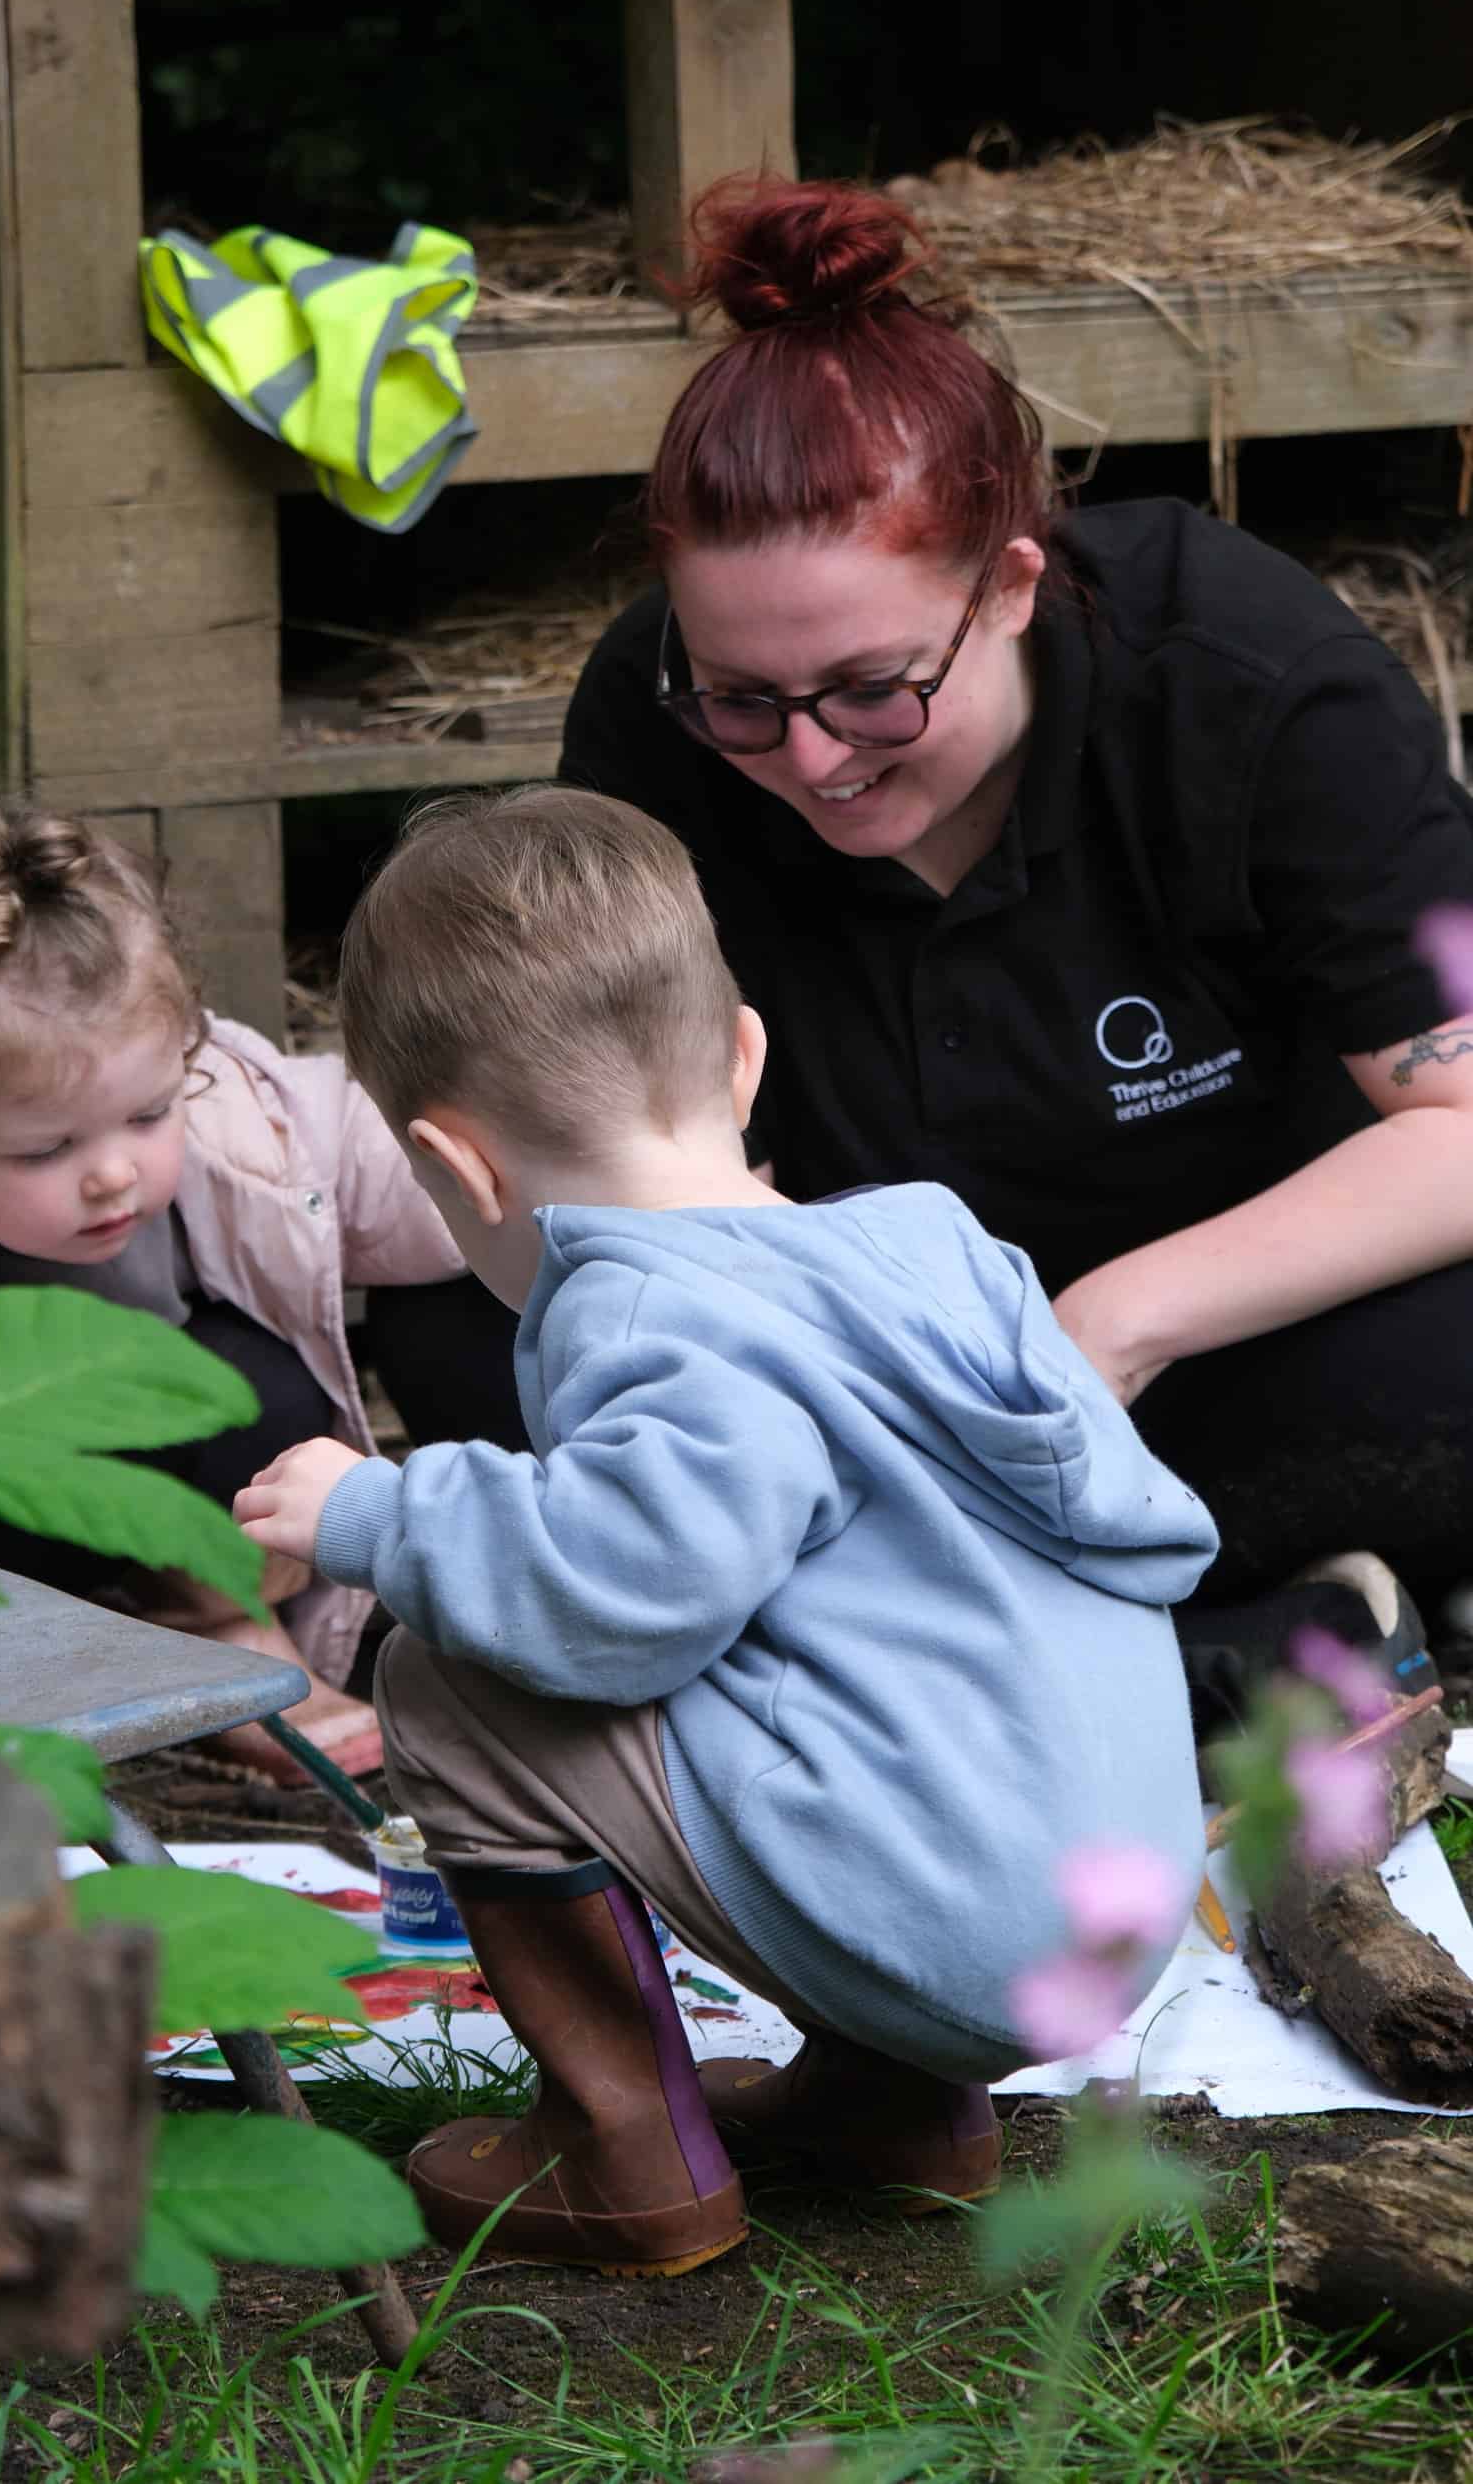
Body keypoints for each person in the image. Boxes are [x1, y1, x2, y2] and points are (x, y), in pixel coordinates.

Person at [236, 786, 1216, 2275]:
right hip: (1110, 1907)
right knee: (844, 1642)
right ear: (745, 1058)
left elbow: (617, 1597)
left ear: (459, 1170)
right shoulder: (930, 1244)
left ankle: (626, 2154)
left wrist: (378, 1508)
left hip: (970, 1939)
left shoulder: (648, 1314)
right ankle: (898, 2110)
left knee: (451, 1672)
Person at [557, 173, 1473, 1731]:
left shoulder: (1243, 678)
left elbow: (1457, 1125)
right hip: (872, 1376)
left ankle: (1086, 1628)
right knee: (489, 1308)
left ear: (1017, 589)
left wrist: (1113, 1325)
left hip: (1219, 1334)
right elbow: (619, 1146)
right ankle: (1235, 1631)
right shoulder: (650, 723)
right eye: (740, 699)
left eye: (870, 688)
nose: (813, 759)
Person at [0, 796, 493, 1781]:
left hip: (153, 1488)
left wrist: (596, 1183)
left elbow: (390, 1167)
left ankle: (226, 1625)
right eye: (47, 1148)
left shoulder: (230, 1106)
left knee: (255, 1392)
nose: (112, 1172)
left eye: (148, 1113)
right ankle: (25, 1684)